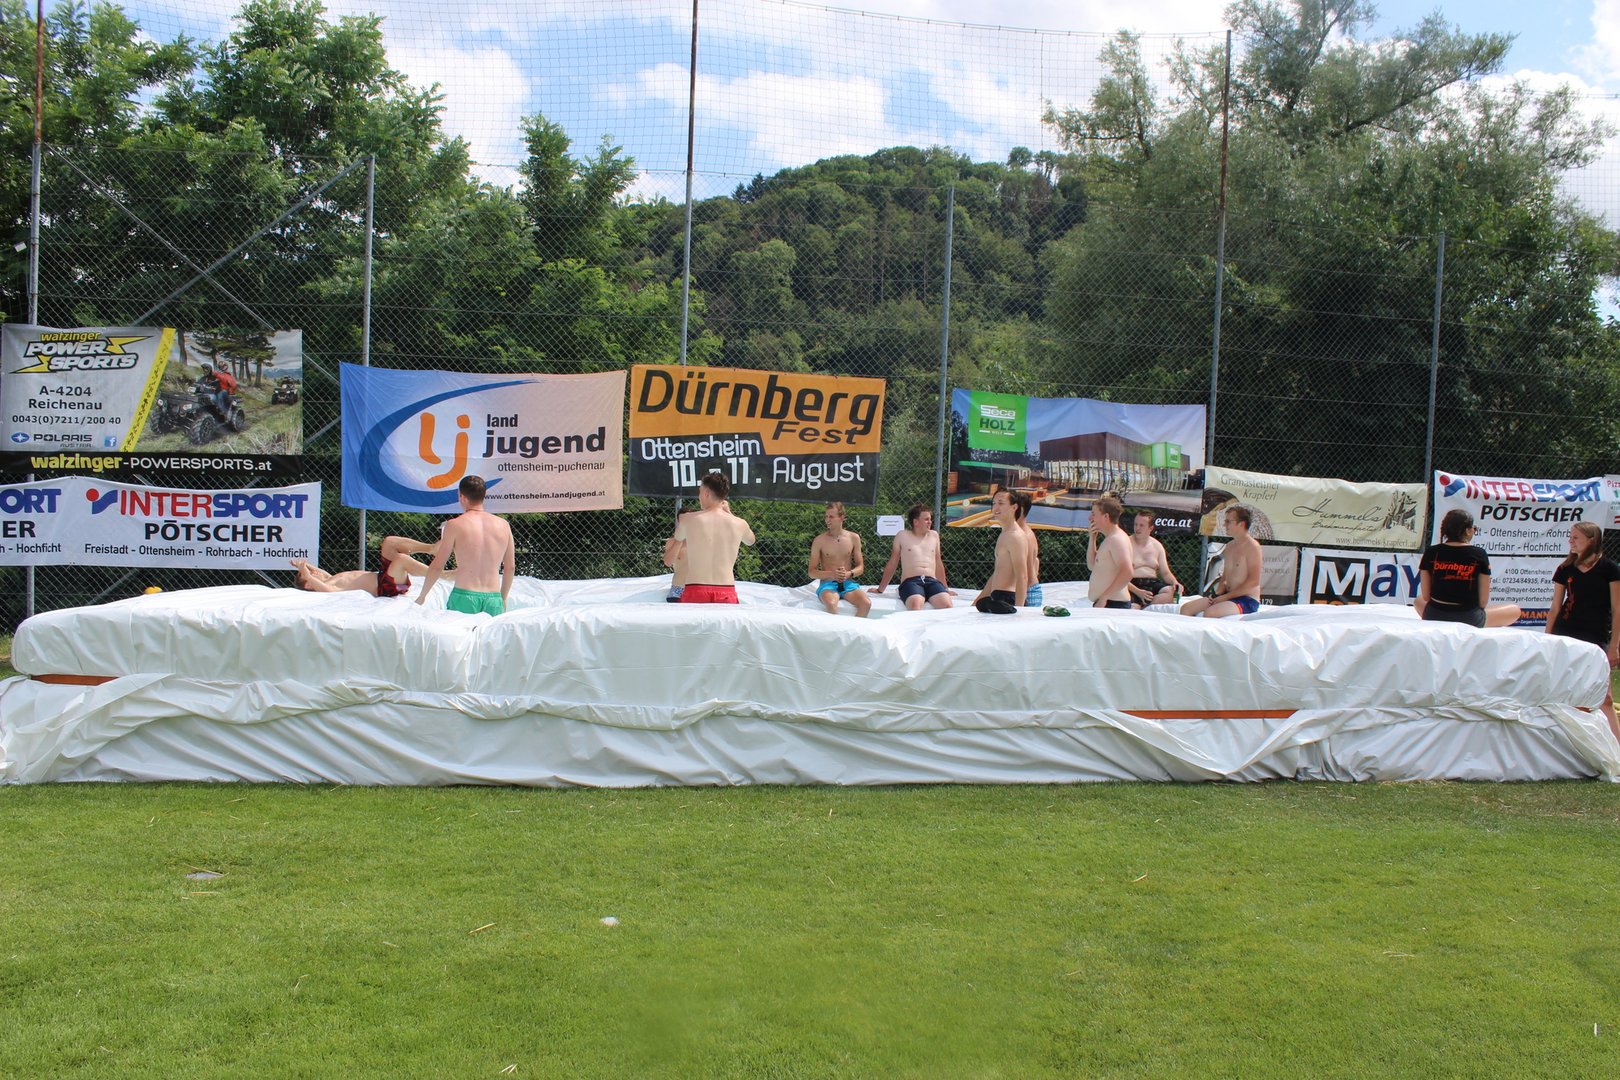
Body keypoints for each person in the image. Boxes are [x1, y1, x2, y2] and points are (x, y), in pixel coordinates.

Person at [1545, 521, 1620, 738]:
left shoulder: (1609, 569)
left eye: (1576, 537)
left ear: (1591, 540)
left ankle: (1616, 745)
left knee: (1605, 697)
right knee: (1562, 691)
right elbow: (1555, 608)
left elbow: (1617, 609)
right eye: (1570, 537)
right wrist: (1547, 640)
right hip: (1565, 633)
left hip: (1595, 637)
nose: (1571, 541)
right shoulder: (1565, 569)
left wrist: (1614, 645)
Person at [417, 474, 514, 615]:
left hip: (464, 596)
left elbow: (437, 566)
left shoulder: (454, 525)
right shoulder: (504, 525)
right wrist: (503, 598)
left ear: (461, 496)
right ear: (484, 496)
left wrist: (422, 596)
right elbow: (510, 568)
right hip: (493, 599)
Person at [1414, 508, 1520, 628]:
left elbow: (1426, 596)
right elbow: (1483, 602)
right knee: (1515, 610)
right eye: (1474, 528)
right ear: (1467, 531)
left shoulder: (1431, 552)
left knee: (1418, 600)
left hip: (1434, 615)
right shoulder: (1479, 554)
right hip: (1469, 618)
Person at [675, 471, 756, 604]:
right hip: (726, 590)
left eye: (700, 492)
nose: (699, 497)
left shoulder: (688, 519)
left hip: (695, 589)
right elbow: (751, 541)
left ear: (706, 493)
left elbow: (678, 536)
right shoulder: (739, 523)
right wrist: (730, 514)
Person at [292, 534, 442, 597]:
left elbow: (320, 572)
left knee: (389, 542)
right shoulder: (330, 588)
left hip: (384, 576)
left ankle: (431, 549)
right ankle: (442, 574)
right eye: (309, 574)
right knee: (401, 559)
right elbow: (325, 588)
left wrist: (305, 566)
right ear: (309, 585)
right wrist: (306, 574)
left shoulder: (331, 578)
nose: (314, 572)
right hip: (386, 587)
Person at [1181, 505, 1262, 618]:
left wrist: (1225, 597)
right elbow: (1225, 575)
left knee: (1210, 613)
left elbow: (1253, 582)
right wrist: (1218, 594)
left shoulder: (1253, 547)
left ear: (1241, 524)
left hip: (1246, 599)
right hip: (1227, 595)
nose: (1224, 525)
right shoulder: (1229, 546)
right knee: (1186, 608)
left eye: (1228, 521)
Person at [875, 503, 953, 610]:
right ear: (916, 522)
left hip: (932, 581)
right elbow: (893, 563)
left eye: (930, 519)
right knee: (916, 605)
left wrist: (946, 588)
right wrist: (880, 589)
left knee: (947, 605)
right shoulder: (902, 536)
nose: (930, 522)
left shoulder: (934, 535)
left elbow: (938, 563)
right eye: (926, 519)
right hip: (911, 582)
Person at [808, 501, 871, 617]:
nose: (827, 520)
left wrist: (849, 574)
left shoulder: (853, 538)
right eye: (826, 516)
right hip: (828, 584)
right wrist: (832, 574)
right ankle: (835, 628)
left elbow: (861, 567)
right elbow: (811, 572)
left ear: (841, 518)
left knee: (866, 603)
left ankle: (854, 628)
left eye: (831, 517)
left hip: (847, 583)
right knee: (831, 604)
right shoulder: (819, 540)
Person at [973, 489, 1031, 614]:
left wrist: (1019, 611)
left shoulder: (1015, 536)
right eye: (994, 503)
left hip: (1008, 599)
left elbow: (1022, 576)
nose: (995, 507)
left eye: (1001, 503)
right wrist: (977, 601)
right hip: (998, 596)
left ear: (1014, 507)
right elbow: (997, 573)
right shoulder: (1005, 533)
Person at [1085, 493, 1134, 610]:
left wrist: (1104, 597)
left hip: (1113, 604)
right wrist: (1092, 538)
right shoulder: (1110, 539)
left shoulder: (1117, 539)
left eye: (1094, 514)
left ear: (1105, 517)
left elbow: (1127, 572)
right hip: (1106, 603)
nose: (1090, 518)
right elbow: (1092, 565)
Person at [1126, 513, 1182, 608]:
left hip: (1152, 584)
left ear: (1150, 528)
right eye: (1136, 524)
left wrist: (1175, 582)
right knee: (1133, 607)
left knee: (1172, 592)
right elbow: (1118, 575)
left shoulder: (1157, 546)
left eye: (1141, 525)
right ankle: (1140, 605)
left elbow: (1165, 573)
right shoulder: (1126, 543)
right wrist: (1138, 592)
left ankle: (1148, 608)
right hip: (1131, 584)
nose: (1137, 528)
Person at [1009, 490, 1043, 609]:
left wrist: (1020, 605)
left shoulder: (1024, 536)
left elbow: (1025, 575)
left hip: (1027, 593)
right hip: (1028, 590)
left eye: (1013, 506)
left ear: (1021, 510)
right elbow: (1036, 563)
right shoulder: (1022, 533)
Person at [663, 506, 694, 602]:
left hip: (698, 587)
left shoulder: (704, 541)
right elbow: (668, 562)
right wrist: (680, 538)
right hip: (679, 588)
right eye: (683, 521)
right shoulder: (673, 542)